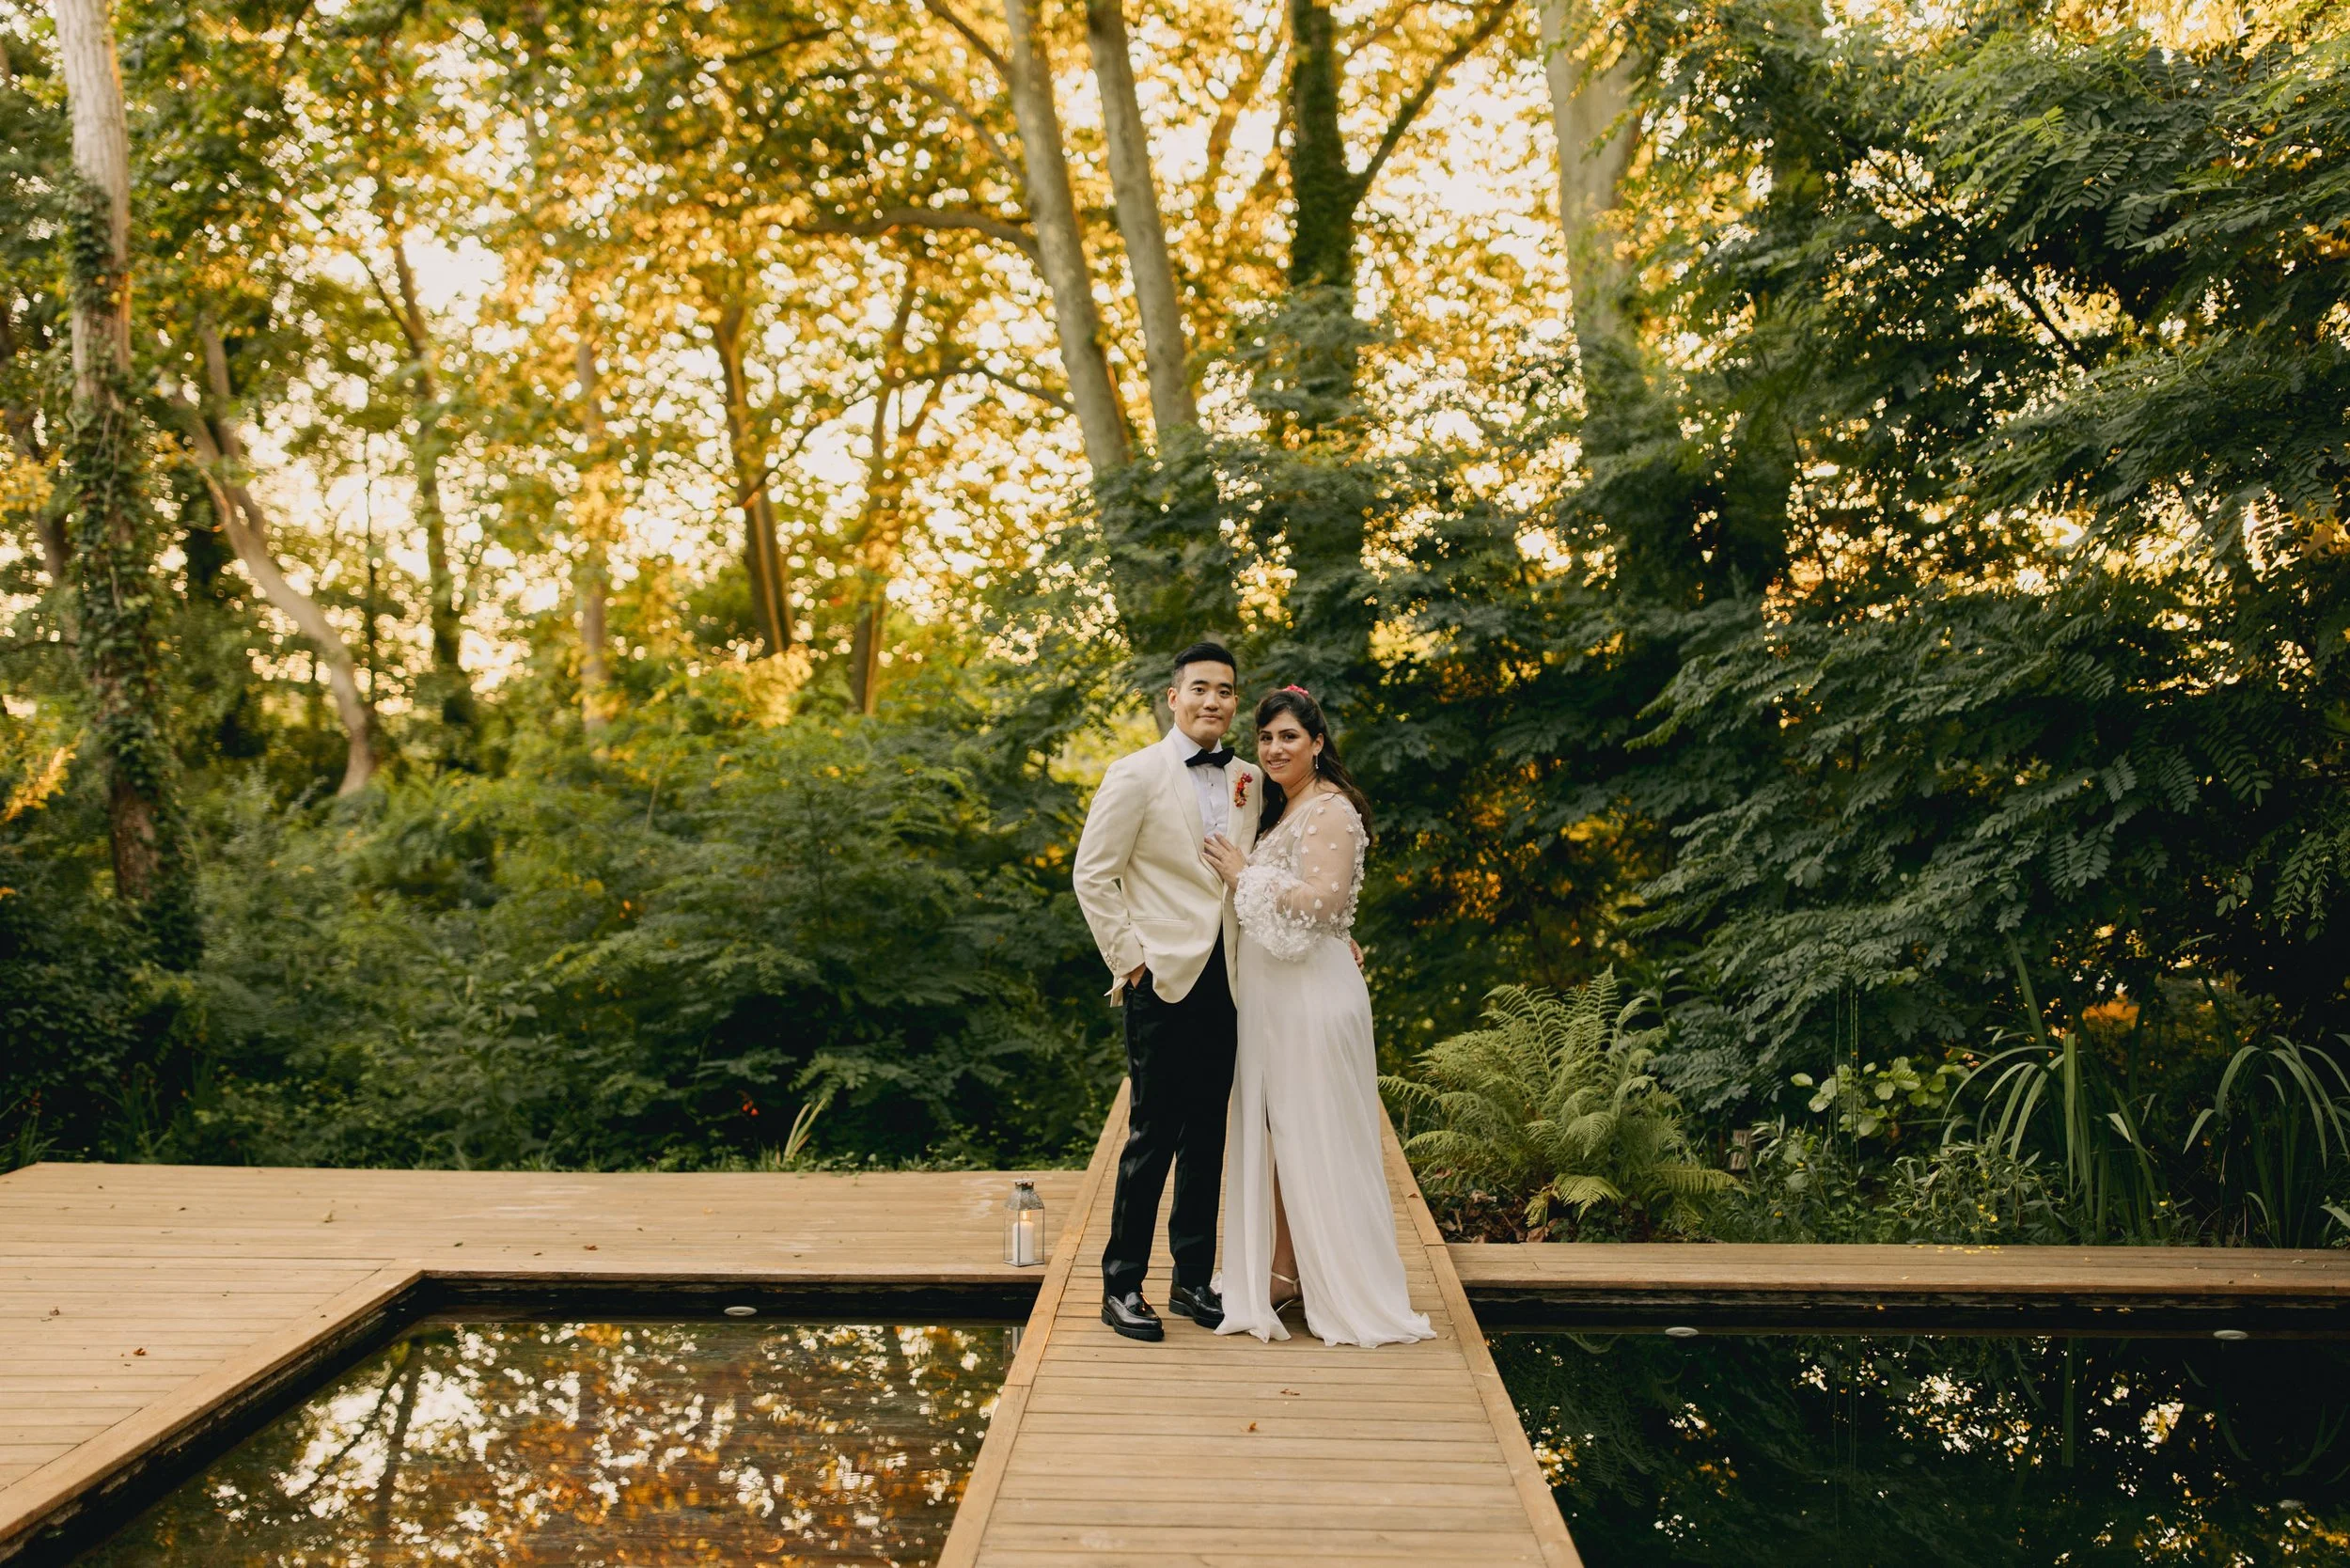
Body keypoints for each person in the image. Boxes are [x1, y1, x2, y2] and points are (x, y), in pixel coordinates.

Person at [1198, 685, 1434, 1348]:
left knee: (1314, 1132)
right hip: (1276, 996)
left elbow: (1326, 906)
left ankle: (1327, 1278)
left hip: (1313, 1000)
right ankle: (1282, 1269)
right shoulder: (1283, 809)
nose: (1274, 749)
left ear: (1318, 744)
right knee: (1284, 1131)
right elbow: (1311, 908)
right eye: (1266, 737)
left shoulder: (1329, 810)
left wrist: (1247, 876)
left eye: (1289, 738)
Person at [1071, 641, 1263, 1341]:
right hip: (1164, 976)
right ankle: (1121, 1286)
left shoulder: (1250, 777)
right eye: (1202, 689)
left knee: (1209, 1133)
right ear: (1174, 696)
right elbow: (1093, 875)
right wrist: (1131, 962)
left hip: (1235, 979)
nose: (1215, 701)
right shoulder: (1136, 774)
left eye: (1227, 691)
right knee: (1153, 1135)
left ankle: (1190, 1281)